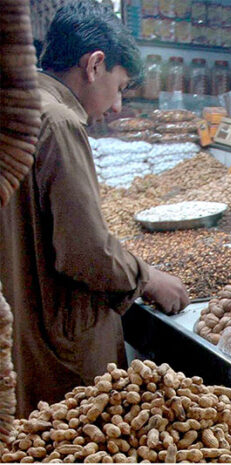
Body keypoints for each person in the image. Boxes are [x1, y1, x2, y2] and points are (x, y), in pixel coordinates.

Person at [0, 1, 189, 417]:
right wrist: (148, 277)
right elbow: (83, 249)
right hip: (55, 347)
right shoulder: (60, 121)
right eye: (120, 87)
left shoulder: (18, 106)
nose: (118, 106)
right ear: (94, 65)